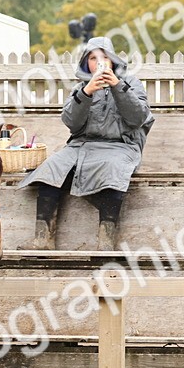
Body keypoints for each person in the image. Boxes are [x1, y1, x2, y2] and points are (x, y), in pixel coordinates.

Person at [19, 36, 154, 251]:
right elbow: (71, 123)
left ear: (112, 61)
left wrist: (118, 87)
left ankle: (106, 242)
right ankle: (43, 240)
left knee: (113, 170)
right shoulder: (81, 87)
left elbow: (137, 118)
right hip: (81, 146)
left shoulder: (131, 83)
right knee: (51, 168)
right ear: (86, 63)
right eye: (93, 58)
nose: (98, 62)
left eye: (103, 57)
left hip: (120, 146)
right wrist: (86, 93)